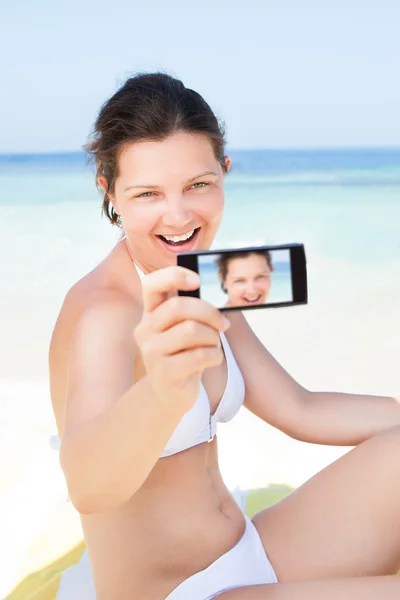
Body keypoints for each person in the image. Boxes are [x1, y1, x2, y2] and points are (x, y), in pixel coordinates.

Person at [49, 72, 400, 600]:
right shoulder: (106, 312)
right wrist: (162, 392)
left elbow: (299, 409)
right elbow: (89, 487)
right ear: (111, 192)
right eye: (149, 193)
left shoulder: (202, 278)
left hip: (251, 553)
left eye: (198, 185)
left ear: (224, 174)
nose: (178, 215)